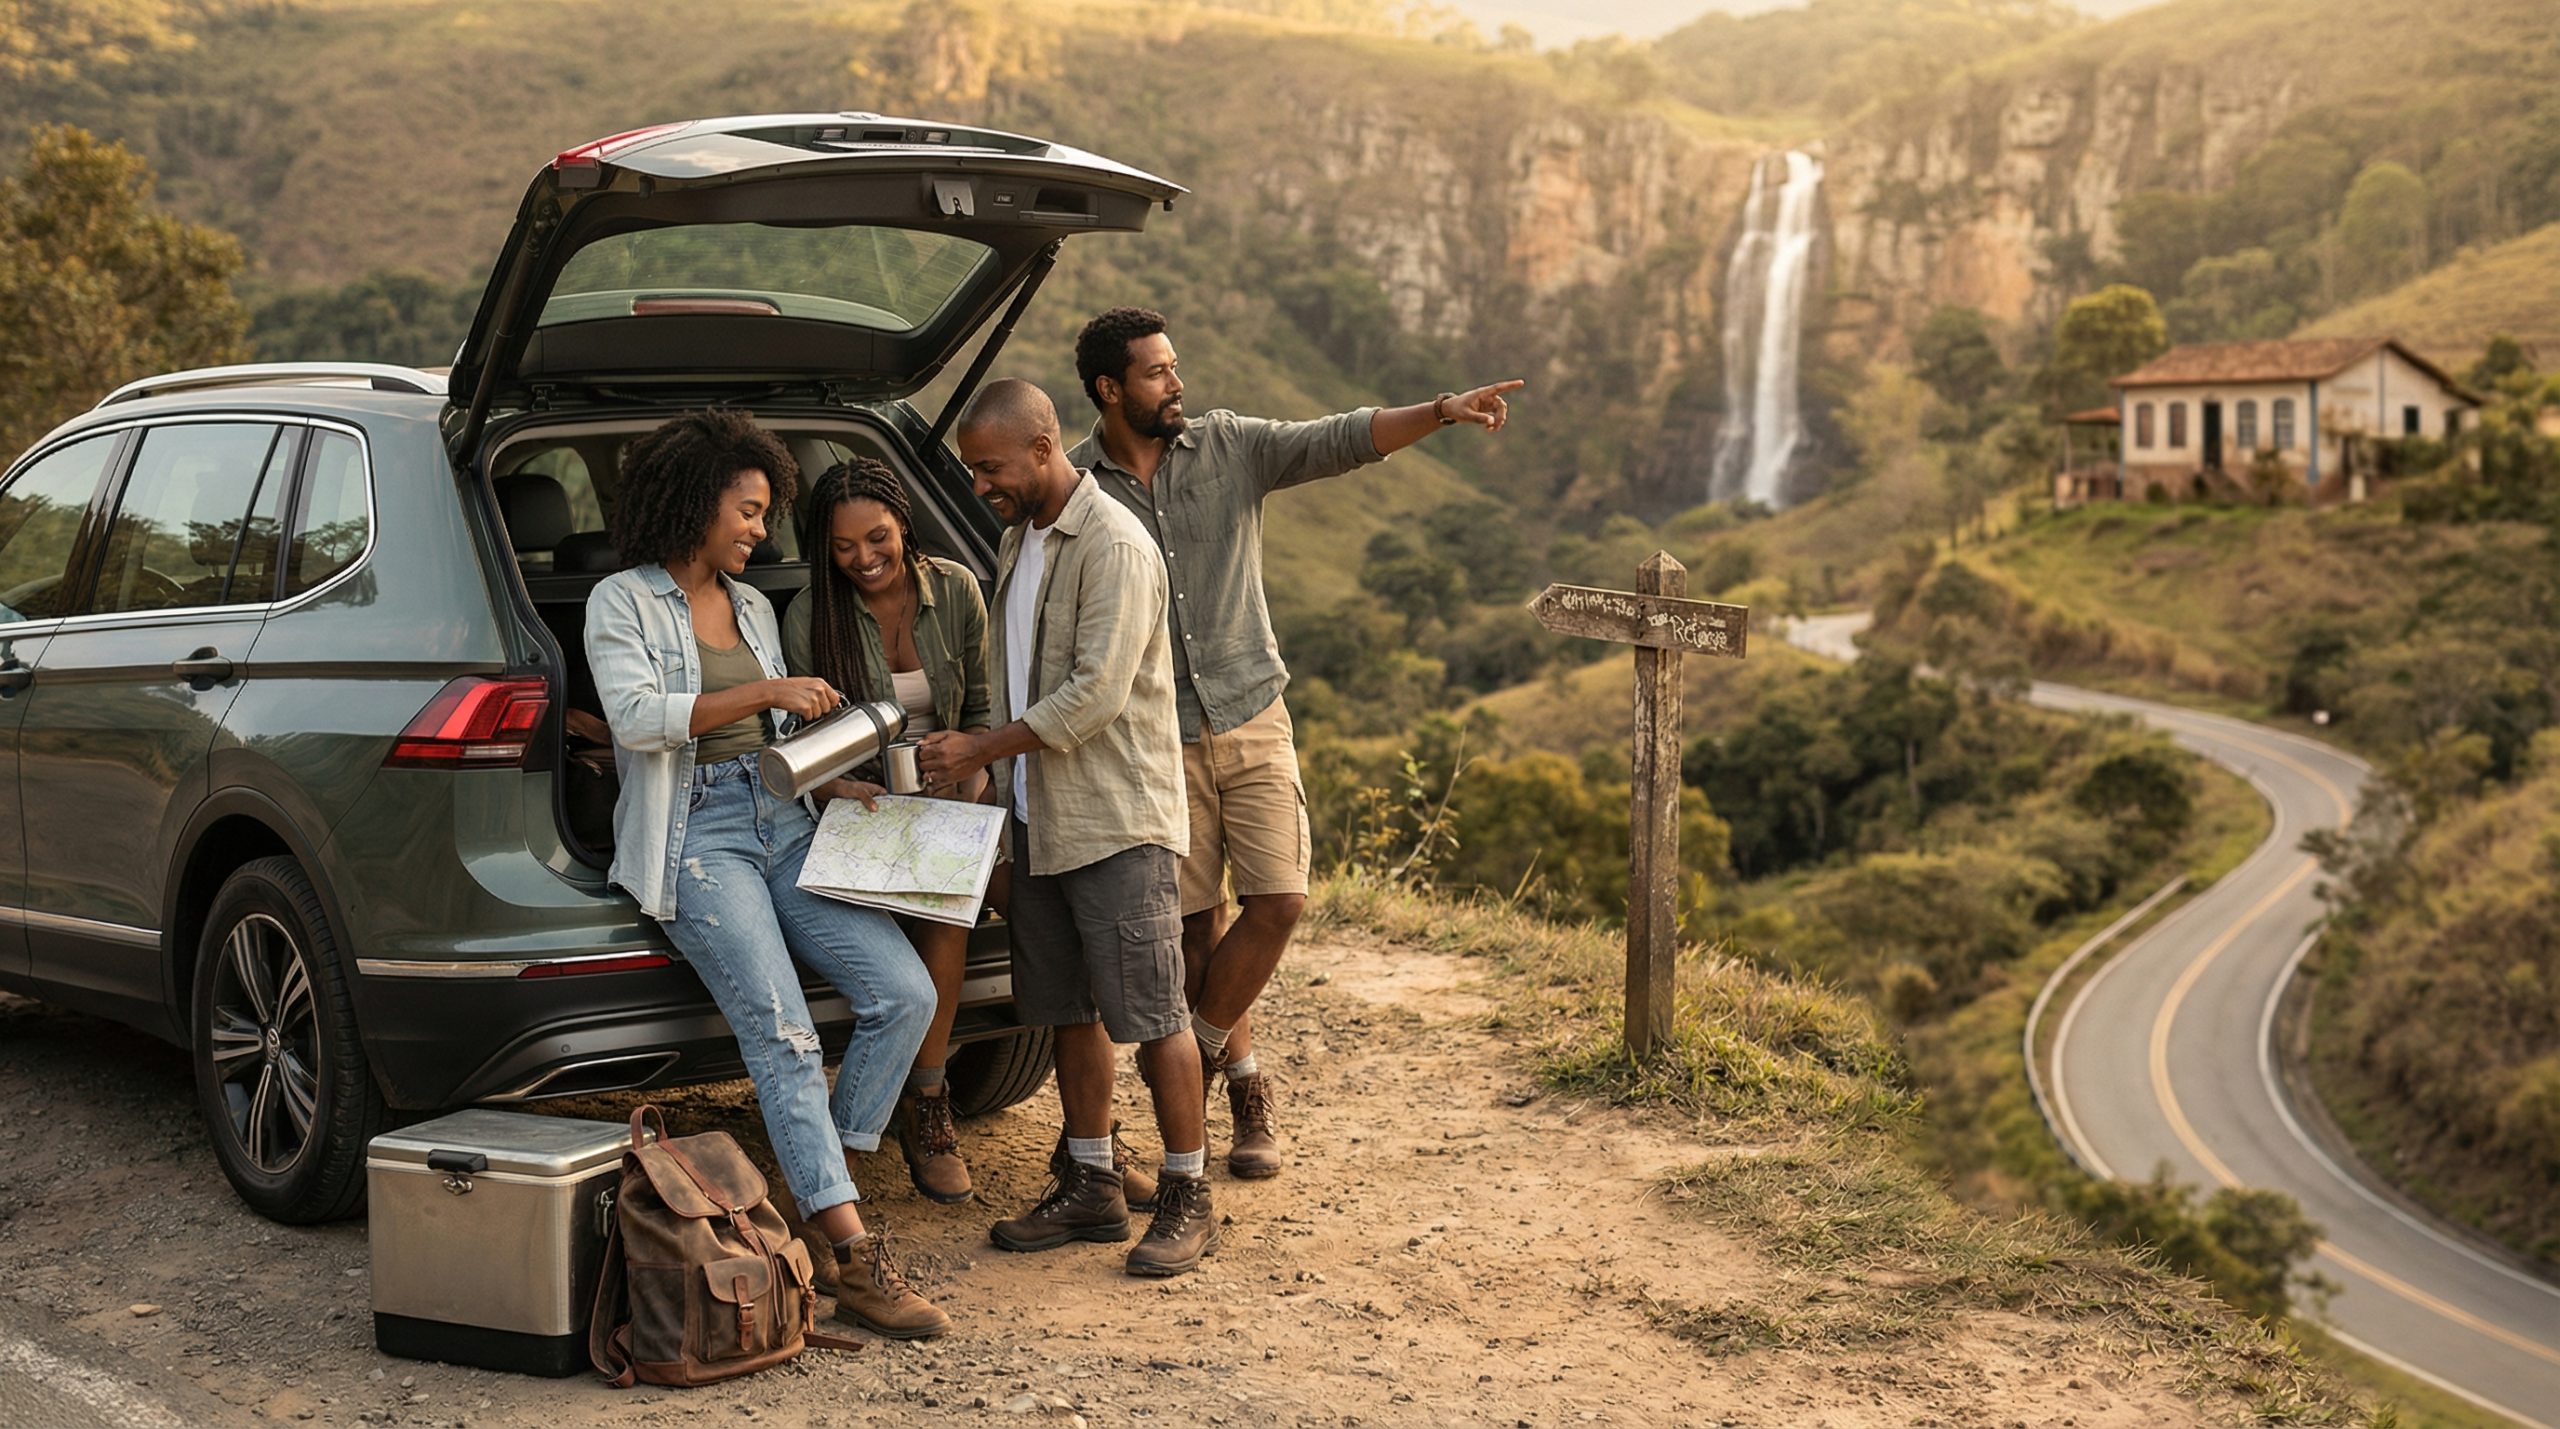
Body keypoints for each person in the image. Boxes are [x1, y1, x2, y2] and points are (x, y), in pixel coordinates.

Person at [1067, 305, 1522, 1178]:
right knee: (1197, 930)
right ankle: (1240, 1096)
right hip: (1157, 739)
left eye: (1176, 366)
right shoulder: (1084, 489)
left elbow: (1338, 439)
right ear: (1110, 389)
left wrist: (1441, 409)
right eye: (1159, 372)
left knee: (1278, 899)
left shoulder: (1231, 445)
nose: (1179, 383)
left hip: (1250, 714)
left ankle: (1196, 1065)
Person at [584, 410, 950, 1339]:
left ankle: (819, 1176)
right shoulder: (621, 601)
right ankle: (850, 1256)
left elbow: (780, 736)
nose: (759, 529)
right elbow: (633, 718)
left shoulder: (750, 607)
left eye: (762, 513)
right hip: (697, 834)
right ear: (696, 504)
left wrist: (839, 777)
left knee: (904, 992)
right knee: (783, 1035)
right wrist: (767, 690)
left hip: (780, 815)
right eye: (746, 511)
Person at [913, 378, 1215, 1277]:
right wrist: (998, 776)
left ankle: (1188, 1192)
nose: (981, 485)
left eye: (991, 467)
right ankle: (1089, 1182)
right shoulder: (1019, 539)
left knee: (1154, 1010)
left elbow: (1094, 695)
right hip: (1039, 816)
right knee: (1066, 1010)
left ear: (1045, 447)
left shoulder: (1114, 544)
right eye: (972, 471)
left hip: (1114, 817)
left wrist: (979, 748)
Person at [783, 456, 992, 1206]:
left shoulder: (958, 590)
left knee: (1044, 900)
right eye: (843, 548)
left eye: (877, 538)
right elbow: (802, 744)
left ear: (903, 522)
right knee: (943, 904)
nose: (864, 559)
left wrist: (974, 771)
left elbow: (984, 710)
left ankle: (1090, 1135)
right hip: (864, 806)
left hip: (957, 791)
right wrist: (841, 785)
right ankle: (929, 1105)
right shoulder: (812, 611)